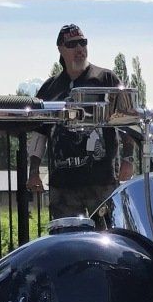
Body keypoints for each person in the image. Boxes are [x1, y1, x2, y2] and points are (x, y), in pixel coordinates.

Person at [27, 23, 127, 220]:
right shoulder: (50, 88)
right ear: (61, 49)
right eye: (72, 44)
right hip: (63, 184)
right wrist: (33, 171)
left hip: (102, 181)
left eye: (83, 42)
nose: (80, 49)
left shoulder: (105, 78)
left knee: (107, 239)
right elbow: (39, 133)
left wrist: (128, 160)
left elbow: (126, 120)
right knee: (67, 242)